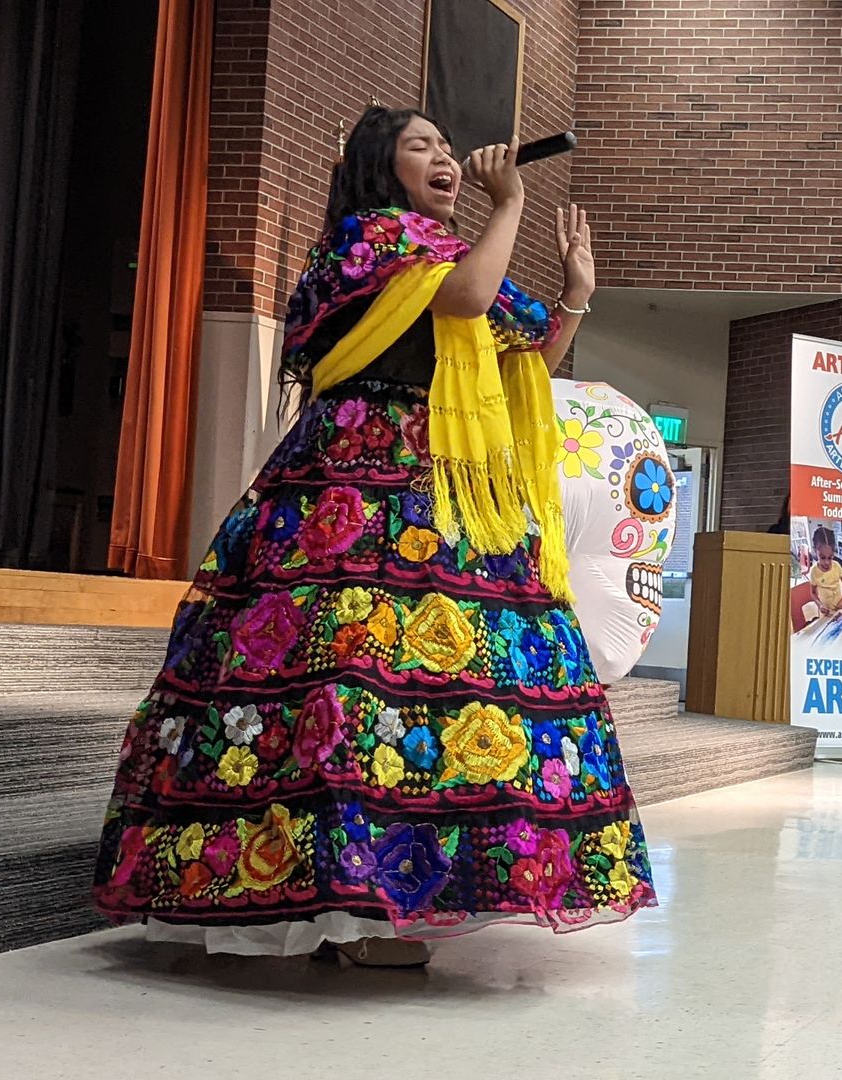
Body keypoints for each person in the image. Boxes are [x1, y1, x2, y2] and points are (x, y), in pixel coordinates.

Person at [91, 107, 654, 966]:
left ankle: (390, 899)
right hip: (354, 482)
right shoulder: (371, 241)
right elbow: (465, 298)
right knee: (346, 672)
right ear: (378, 165)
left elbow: (524, 356)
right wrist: (510, 207)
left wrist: (575, 290)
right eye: (421, 145)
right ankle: (336, 903)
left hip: (443, 485)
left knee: (438, 687)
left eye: (447, 148)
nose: (447, 159)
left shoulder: (446, 252)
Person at [802, 522, 842, 624]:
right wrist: (820, 605)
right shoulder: (814, 572)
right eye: (822, 557)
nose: (827, 562)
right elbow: (813, 593)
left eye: (830, 557)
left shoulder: (837, 566)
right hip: (825, 613)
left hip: (840, 609)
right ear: (815, 551)